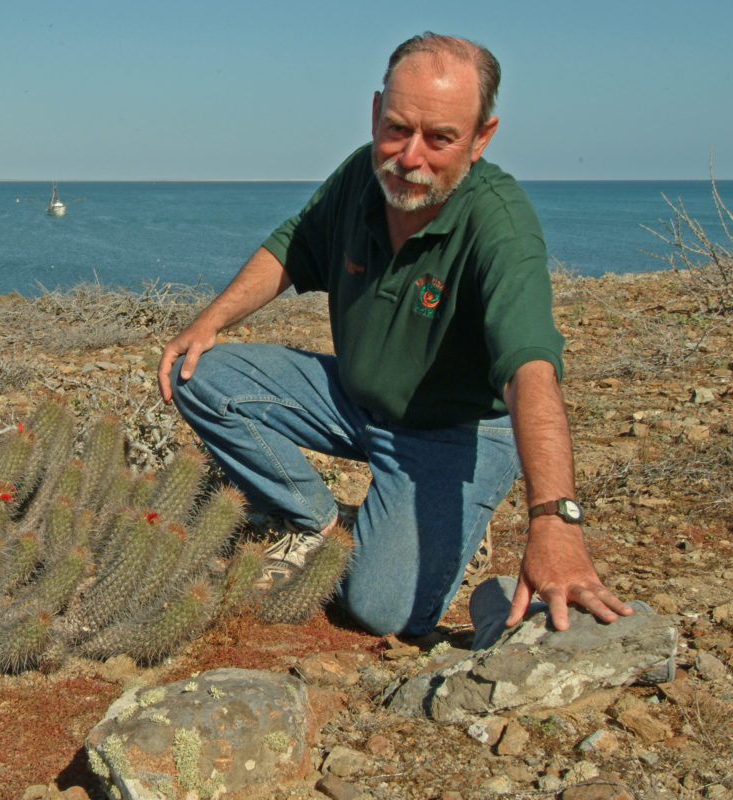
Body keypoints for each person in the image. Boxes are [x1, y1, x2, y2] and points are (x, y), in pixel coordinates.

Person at [157, 32, 633, 638]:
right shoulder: (363, 173)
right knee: (195, 371)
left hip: (451, 433)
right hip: (355, 401)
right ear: (376, 110)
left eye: (441, 138)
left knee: (382, 611)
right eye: (397, 128)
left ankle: (436, 516)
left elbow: (529, 370)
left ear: (481, 138)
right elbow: (292, 246)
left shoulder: (501, 224)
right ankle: (322, 525)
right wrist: (207, 323)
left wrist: (556, 521)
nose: (410, 158)